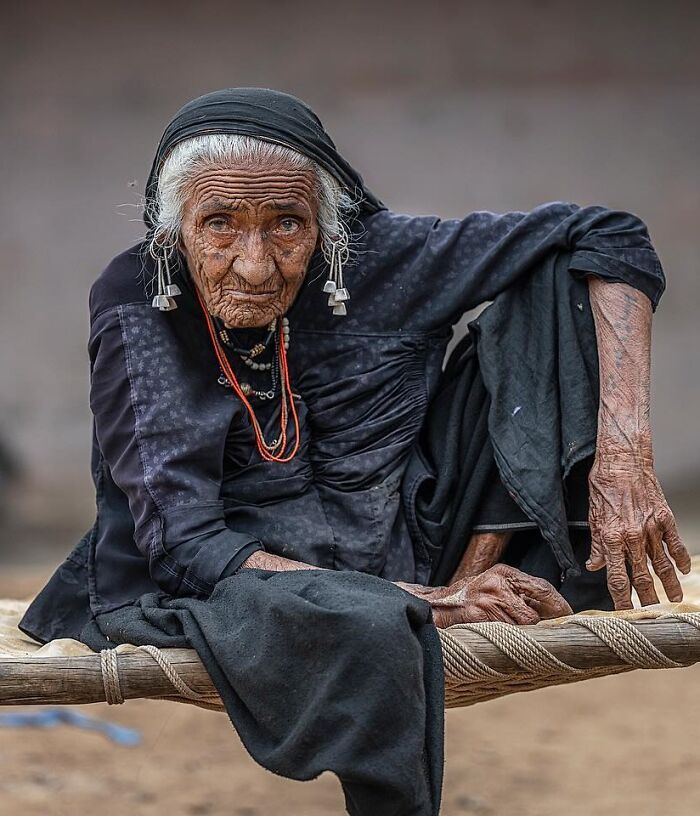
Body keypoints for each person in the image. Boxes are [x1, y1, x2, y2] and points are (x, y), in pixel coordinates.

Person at [21, 88, 689, 645]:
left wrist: (624, 461)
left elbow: (608, 235)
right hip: (254, 584)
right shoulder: (140, 297)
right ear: (174, 231)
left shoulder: (379, 259)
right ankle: (441, 603)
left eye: (287, 224)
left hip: (424, 542)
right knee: (244, 600)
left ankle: (473, 580)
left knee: (556, 285)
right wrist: (421, 604)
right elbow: (185, 545)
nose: (254, 265)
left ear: (328, 226)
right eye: (219, 223)